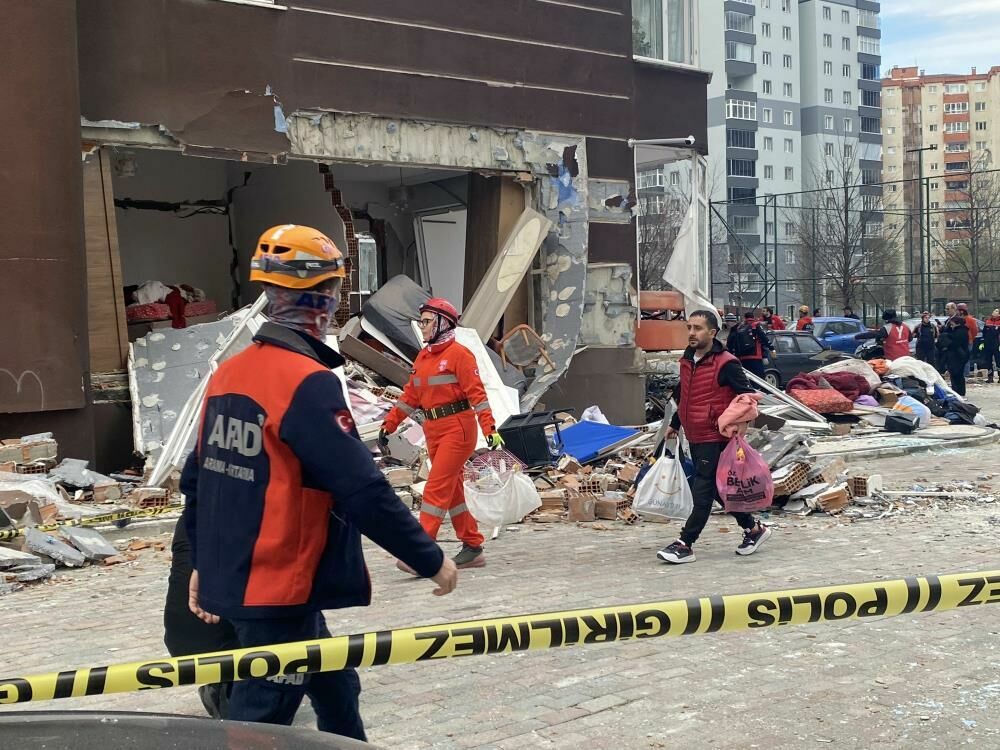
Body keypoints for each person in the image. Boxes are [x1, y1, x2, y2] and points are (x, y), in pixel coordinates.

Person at [182, 224, 457, 739]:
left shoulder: (229, 374)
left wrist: (202, 563)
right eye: (331, 291)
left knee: (336, 686)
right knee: (261, 715)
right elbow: (360, 487)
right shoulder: (305, 382)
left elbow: (200, 482)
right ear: (322, 296)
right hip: (275, 585)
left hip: (251, 579)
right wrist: (429, 557)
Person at [379, 297, 503, 571]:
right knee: (452, 490)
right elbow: (410, 396)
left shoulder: (460, 355)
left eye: (426, 321)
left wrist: (490, 429)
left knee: (435, 488)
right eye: (421, 321)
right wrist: (389, 424)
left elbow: (478, 397)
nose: (421, 326)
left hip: (457, 430)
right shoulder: (424, 356)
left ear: (442, 323)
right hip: (433, 430)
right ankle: (472, 546)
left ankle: (421, 554)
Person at [657, 310, 771, 565]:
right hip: (694, 435)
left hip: (714, 436)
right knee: (720, 489)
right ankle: (754, 529)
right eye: (689, 327)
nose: (691, 333)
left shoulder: (726, 363)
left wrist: (736, 423)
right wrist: (675, 423)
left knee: (703, 489)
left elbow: (748, 397)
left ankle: (685, 543)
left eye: (697, 328)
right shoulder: (687, 359)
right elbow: (684, 394)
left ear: (712, 332)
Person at [726, 311, 775, 379]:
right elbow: (764, 338)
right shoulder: (755, 325)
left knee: (747, 379)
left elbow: (732, 343)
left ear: (744, 318)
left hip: (742, 358)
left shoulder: (739, 327)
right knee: (759, 379)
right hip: (755, 357)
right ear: (753, 317)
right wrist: (771, 348)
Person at [942, 311, 970, 396]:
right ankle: (957, 390)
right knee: (955, 374)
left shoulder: (961, 332)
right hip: (956, 355)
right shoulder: (955, 330)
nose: (951, 325)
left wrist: (948, 344)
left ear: (957, 324)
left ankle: (959, 391)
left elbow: (955, 343)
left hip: (959, 355)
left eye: (952, 324)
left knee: (957, 374)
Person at [958, 303, 979, 375]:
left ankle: (966, 374)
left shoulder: (970, 320)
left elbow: (975, 331)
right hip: (959, 342)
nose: (959, 312)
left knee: (966, 358)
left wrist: (970, 338)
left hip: (967, 342)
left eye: (960, 310)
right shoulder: (957, 319)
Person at [982, 309, 1000, 382]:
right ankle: (990, 377)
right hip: (988, 344)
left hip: (997, 344)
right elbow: (984, 332)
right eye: (994, 311)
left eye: (996, 311)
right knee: (988, 361)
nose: (993, 312)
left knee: (998, 361)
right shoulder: (988, 321)